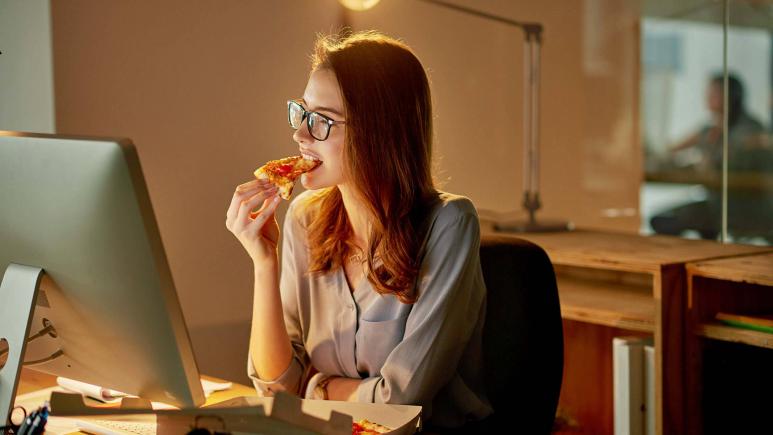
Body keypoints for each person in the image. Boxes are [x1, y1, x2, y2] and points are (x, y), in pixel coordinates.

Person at [225, 30, 493, 429]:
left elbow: (399, 400)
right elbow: (276, 389)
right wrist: (264, 263)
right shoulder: (304, 218)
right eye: (302, 112)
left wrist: (314, 389)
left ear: (378, 130)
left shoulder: (451, 224)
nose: (299, 135)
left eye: (322, 121)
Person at [650, 73, 771, 241]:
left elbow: (725, 164)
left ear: (729, 96)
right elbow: (671, 149)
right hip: (717, 204)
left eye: (713, 93)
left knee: (668, 221)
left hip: (742, 206)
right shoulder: (711, 130)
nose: (707, 97)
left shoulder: (751, 130)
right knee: (664, 219)